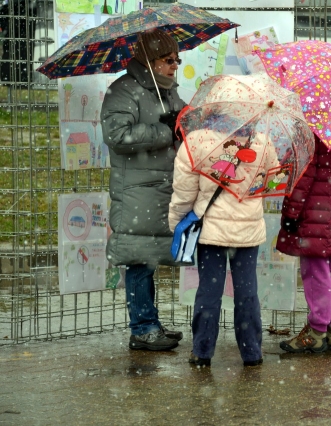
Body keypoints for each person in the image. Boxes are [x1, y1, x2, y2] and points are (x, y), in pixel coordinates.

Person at [101, 29, 186, 351]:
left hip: (163, 187)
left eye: (177, 59)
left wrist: (184, 122)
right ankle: (142, 328)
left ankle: (151, 321)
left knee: (150, 257)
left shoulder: (168, 91)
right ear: (150, 60)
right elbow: (118, 136)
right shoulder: (123, 91)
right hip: (136, 189)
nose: (175, 65)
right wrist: (164, 129)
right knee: (140, 259)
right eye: (168, 59)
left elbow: (178, 124)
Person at [168, 130, 279, 367]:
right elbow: (270, 183)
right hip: (247, 231)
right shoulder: (263, 140)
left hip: (211, 229)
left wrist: (177, 222)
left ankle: (202, 351)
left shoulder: (197, 140)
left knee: (209, 290)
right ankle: (251, 353)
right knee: (247, 292)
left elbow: (184, 191)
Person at [276, 135, 331, 353]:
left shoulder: (310, 135)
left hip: (313, 214)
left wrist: (290, 213)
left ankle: (316, 331)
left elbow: (303, 178)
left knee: (315, 271)